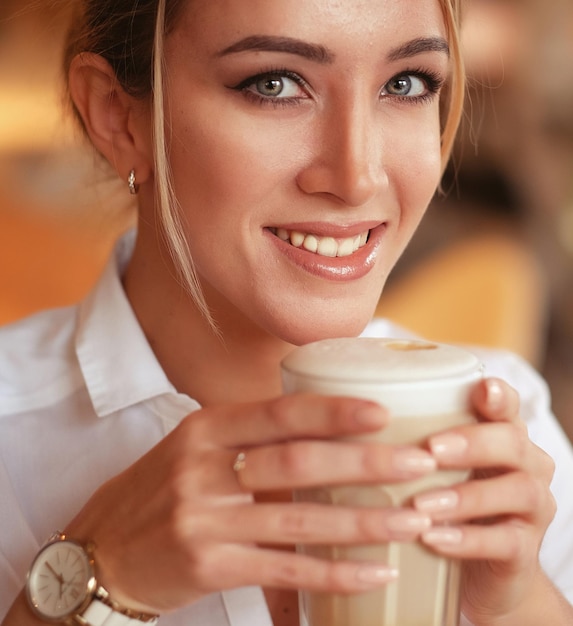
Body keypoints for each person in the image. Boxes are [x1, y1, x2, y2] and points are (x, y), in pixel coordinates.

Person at [1, 0, 572, 625]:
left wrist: (517, 609)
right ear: (118, 118)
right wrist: (94, 580)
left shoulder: (510, 425)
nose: (356, 175)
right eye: (274, 84)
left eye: (406, 84)